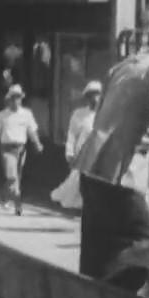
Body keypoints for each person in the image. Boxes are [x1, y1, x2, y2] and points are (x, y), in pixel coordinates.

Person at [76, 15, 149, 290]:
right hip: (119, 172)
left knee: (97, 248)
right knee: (146, 244)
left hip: (91, 167)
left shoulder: (124, 65)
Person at [0, 85, 44, 216]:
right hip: (7, 149)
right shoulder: (2, 115)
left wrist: (37, 143)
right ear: (8, 100)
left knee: (17, 178)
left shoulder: (27, 114)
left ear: (21, 99)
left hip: (21, 149)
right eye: (13, 98)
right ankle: (14, 201)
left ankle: (9, 199)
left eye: (18, 98)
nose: (15, 101)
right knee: (12, 177)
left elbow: (32, 131)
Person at [51, 80, 102, 211]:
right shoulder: (79, 114)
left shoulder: (105, 113)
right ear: (87, 97)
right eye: (92, 95)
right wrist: (70, 152)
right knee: (80, 181)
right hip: (82, 153)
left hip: (99, 152)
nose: (95, 98)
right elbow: (72, 134)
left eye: (98, 94)